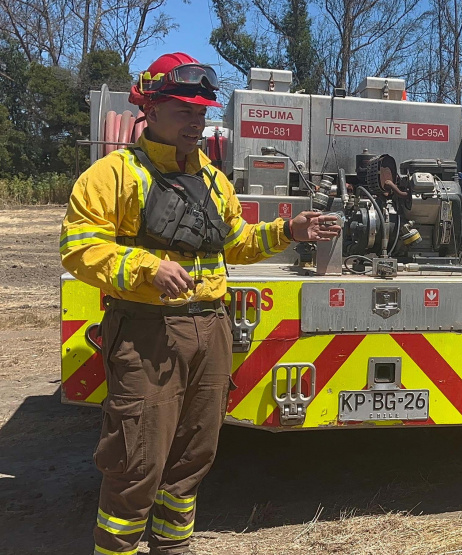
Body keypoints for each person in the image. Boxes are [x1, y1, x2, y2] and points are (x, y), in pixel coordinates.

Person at [59, 52, 341, 555]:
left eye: (202, 111)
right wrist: (146, 268)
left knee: (194, 454)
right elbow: (80, 249)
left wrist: (287, 230)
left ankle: (173, 547)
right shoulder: (112, 175)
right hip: (147, 334)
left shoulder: (212, 178)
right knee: (135, 460)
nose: (197, 121)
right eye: (185, 110)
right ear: (150, 107)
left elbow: (234, 244)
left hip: (211, 330)